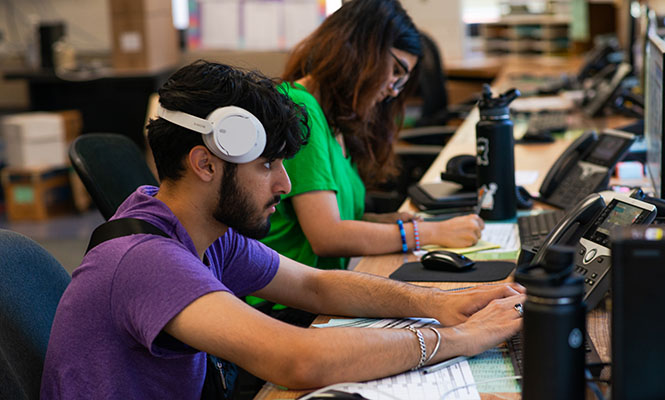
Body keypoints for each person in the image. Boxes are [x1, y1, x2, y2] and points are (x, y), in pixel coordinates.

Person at [41, 61, 524, 398]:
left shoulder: (199, 229)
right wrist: (461, 340)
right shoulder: (146, 259)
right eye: (267, 163)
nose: (285, 183)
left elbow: (315, 285)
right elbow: (297, 359)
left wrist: (440, 304)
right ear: (205, 164)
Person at [261, 0, 484, 270]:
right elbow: (327, 236)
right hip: (287, 305)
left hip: (318, 288)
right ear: (358, 49)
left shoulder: (334, 117)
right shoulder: (299, 109)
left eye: (402, 80)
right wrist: (431, 234)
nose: (394, 90)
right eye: (396, 71)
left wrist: (386, 222)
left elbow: (334, 217)